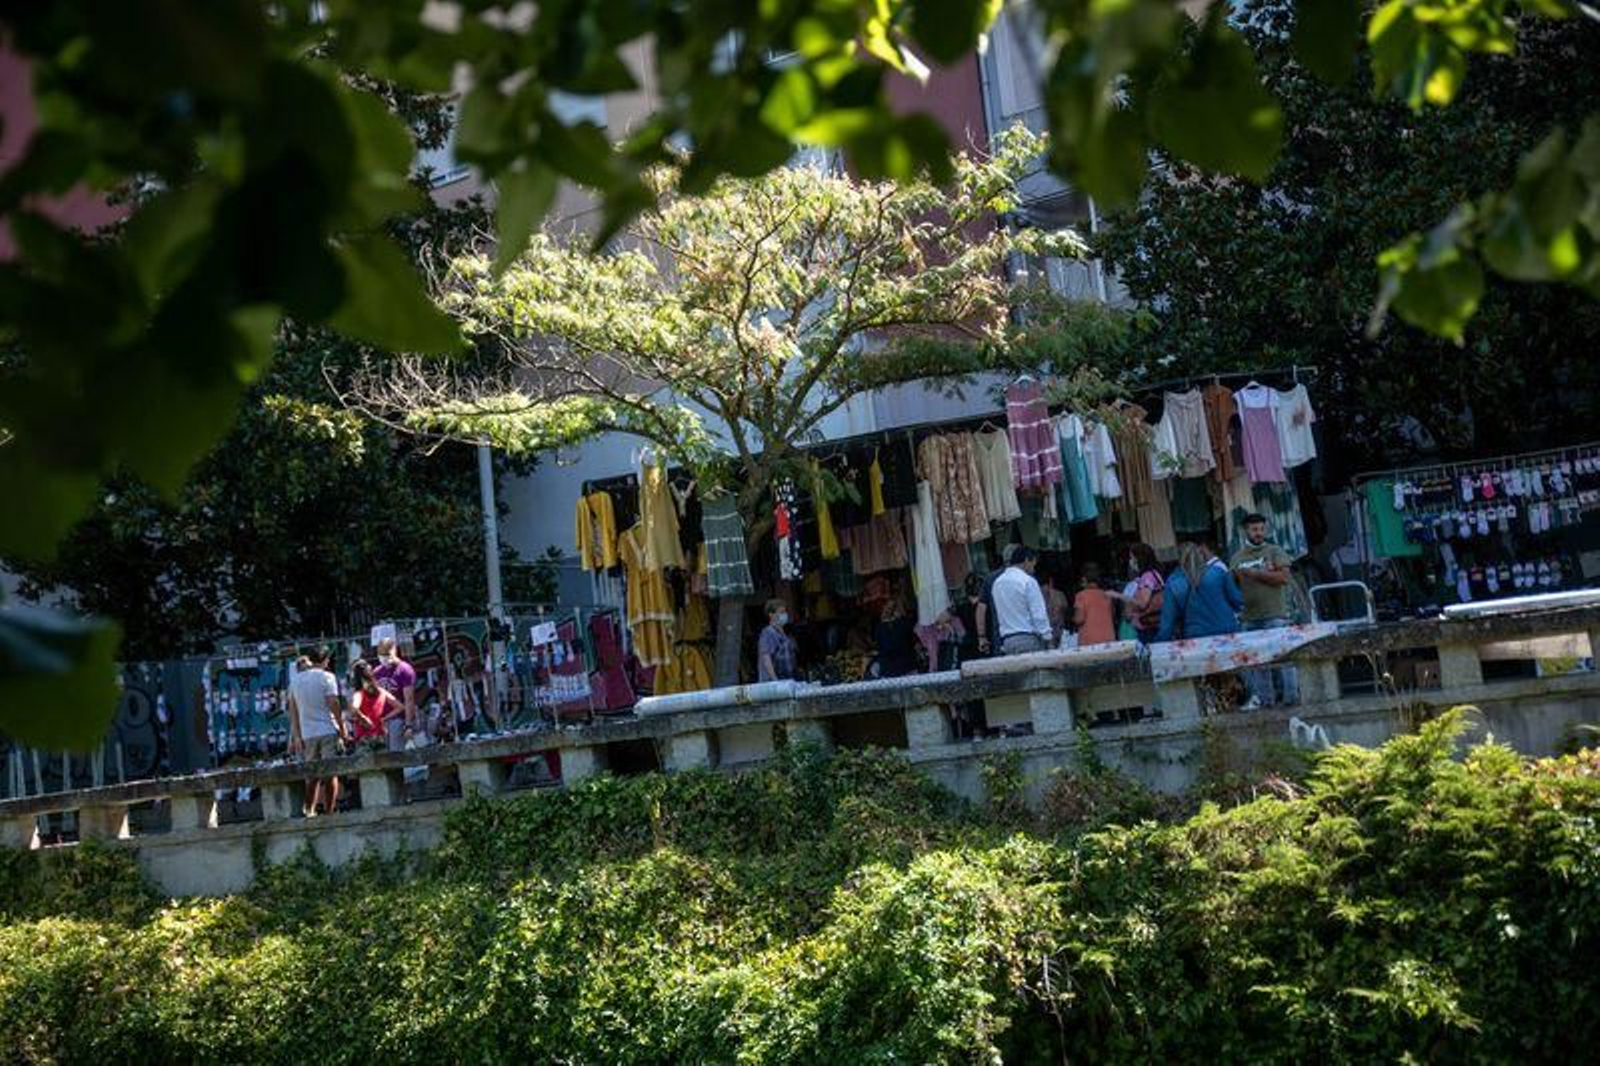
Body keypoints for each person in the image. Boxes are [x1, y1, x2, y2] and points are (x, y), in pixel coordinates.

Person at [1231, 512, 1300, 708]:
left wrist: (1255, 573)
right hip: (1249, 617)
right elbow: (1233, 584)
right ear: (1245, 531)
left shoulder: (1274, 550)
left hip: (1275, 614)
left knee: (1284, 658)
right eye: (1254, 529)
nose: (1259, 533)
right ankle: (1266, 701)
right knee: (1257, 662)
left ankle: (1292, 699)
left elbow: (1284, 578)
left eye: (1261, 529)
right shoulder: (1237, 557)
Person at [286, 645, 347, 815]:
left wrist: (297, 736)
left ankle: (309, 809)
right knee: (330, 773)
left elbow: (293, 710)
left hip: (307, 733)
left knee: (311, 775)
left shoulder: (295, 681)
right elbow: (333, 703)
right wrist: (342, 728)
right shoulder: (327, 677)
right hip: (327, 728)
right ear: (326, 660)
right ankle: (329, 810)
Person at [1157, 540, 1244, 642]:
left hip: (1197, 637)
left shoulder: (1173, 582)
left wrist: (1155, 646)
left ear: (1179, 559)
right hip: (1228, 630)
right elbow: (1237, 600)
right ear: (1200, 555)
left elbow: (1166, 625)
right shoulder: (1218, 572)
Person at [992, 546, 1054, 655]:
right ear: (1026, 560)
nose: (1034, 569)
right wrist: (1048, 638)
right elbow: (1039, 614)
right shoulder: (1028, 581)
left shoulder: (997, 583)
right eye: (1033, 564)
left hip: (1008, 642)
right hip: (1028, 640)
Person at [975, 543, 1022, 656]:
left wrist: (982, 637)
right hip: (1025, 636)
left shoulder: (991, 578)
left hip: (1000, 637)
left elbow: (981, 609)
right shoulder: (1025, 577)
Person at [373, 637, 417, 752]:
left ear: (394, 651)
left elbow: (409, 700)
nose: (384, 658)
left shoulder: (404, 670)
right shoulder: (377, 672)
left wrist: (408, 725)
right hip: (382, 722)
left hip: (398, 720)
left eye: (386, 654)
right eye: (381, 655)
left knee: (396, 755)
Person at [1123, 543, 1166, 644]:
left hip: (1148, 627)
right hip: (1154, 624)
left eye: (1132, 558)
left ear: (1139, 558)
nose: (1131, 561)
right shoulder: (1155, 573)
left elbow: (1143, 603)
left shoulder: (1147, 577)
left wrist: (1119, 596)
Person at [873, 596, 919, 678]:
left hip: (895, 669)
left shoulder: (881, 628)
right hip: (903, 667)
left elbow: (879, 647)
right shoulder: (903, 623)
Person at [1072, 562, 1116, 646]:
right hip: (1108, 640)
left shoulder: (1081, 595)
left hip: (1089, 641)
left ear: (1084, 578)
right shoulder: (1107, 595)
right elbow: (1112, 615)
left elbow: (1079, 619)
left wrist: (1073, 617)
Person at [347, 661, 392, 743]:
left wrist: (363, 718)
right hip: (380, 735)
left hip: (364, 737)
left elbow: (354, 710)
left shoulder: (358, 694)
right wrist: (384, 718)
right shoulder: (381, 691)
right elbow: (400, 707)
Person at [757, 598, 797, 682]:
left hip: (786, 679)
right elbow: (766, 658)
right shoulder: (768, 633)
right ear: (771, 615)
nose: (785, 615)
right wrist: (775, 680)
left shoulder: (783, 634)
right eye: (781, 612)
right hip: (774, 682)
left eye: (785, 612)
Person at [1041, 573, 1070, 644]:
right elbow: (1066, 611)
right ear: (1051, 582)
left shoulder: (1036, 596)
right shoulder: (1060, 595)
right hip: (1058, 631)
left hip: (1044, 632)